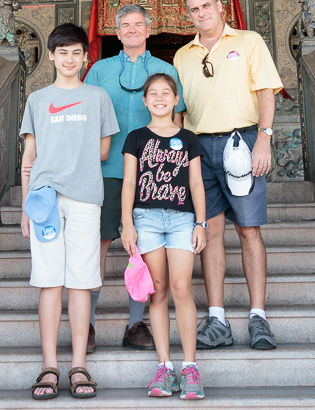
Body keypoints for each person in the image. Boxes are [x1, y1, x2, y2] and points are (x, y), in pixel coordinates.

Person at [173, 0, 283, 351]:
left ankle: (258, 316)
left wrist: (264, 138)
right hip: (198, 147)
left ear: (220, 6)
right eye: (194, 9)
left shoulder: (249, 41)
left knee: (249, 230)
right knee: (210, 230)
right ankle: (217, 318)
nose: (201, 12)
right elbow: (179, 111)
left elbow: (265, 91)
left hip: (242, 141)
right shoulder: (183, 55)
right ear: (188, 15)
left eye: (207, 5)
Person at [20, 23, 119, 399]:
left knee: (81, 281)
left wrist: (70, 158)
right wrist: (27, 208)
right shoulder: (37, 99)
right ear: (51, 56)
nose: (69, 59)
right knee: (50, 281)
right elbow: (29, 157)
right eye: (62, 52)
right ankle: (50, 367)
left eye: (76, 52)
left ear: (85, 57)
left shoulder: (98, 97)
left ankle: (79, 366)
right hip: (45, 199)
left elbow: (105, 150)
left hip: (86, 198)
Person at [84, 4, 185, 352]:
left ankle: (135, 323)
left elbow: (178, 123)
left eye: (138, 24)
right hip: (107, 169)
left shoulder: (165, 70)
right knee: (98, 244)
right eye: (125, 25)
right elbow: (85, 120)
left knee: (143, 246)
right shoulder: (99, 70)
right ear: (116, 31)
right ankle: (88, 324)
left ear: (148, 29)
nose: (131, 30)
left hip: (154, 172)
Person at [121, 73, 207, 400]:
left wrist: (201, 223)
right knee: (157, 291)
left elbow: (196, 182)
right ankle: (165, 367)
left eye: (166, 93)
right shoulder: (136, 138)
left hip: (183, 219)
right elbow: (130, 182)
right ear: (145, 101)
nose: (159, 98)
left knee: (181, 287)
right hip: (146, 219)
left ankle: (190, 367)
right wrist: (127, 224)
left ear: (176, 100)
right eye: (153, 93)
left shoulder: (189, 138)